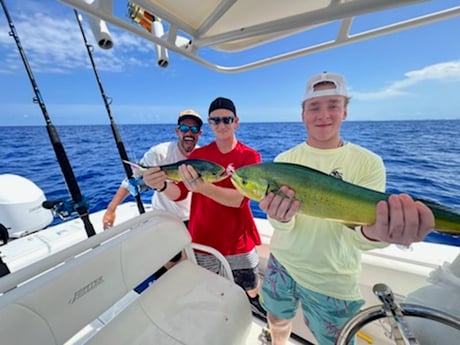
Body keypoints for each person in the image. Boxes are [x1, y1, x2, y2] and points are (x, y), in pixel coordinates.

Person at [257, 72, 435, 345]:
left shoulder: (369, 163)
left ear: (345, 112)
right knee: (277, 319)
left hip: (332, 279)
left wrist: (376, 234)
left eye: (333, 105)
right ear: (303, 114)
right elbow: (283, 225)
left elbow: (358, 238)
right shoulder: (285, 160)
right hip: (283, 263)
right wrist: (279, 217)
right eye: (314, 107)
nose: (323, 114)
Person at [142, 97, 266, 316]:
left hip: (239, 239)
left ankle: (252, 307)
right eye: (215, 120)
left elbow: (239, 199)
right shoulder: (198, 156)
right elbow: (179, 194)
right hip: (203, 241)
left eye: (226, 119)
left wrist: (203, 188)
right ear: (209, 123)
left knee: (250, 286)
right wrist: (160, 185)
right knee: (210, 290)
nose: (221, 125)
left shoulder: (250, 156)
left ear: (236, 121)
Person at [102, 109, 203, 230]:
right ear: (177, 131)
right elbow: (131, 179)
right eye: (184, 128)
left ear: (200, 133)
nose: (189, 133)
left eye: (194, 129)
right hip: (163, 216)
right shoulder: (159, 153)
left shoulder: (203, 157)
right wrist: (111, 209)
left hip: (194, 217)